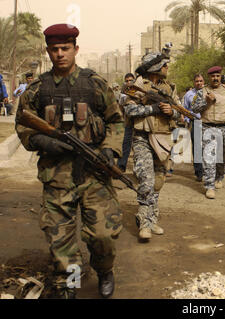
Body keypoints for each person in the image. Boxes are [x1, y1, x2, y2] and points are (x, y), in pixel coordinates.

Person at [15, 23, 124, 299]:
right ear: (48, 52)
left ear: (76, 49)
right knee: (60, 239)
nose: (60, 54)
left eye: (65, 48)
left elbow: (116, 121)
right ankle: (70, 282)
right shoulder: (38, 88)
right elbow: (23, 124)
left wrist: (110, 150)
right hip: (56, 175)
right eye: (54, 49)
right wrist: (44, 141)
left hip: (94, 173)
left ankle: (104, 270)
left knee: (102, 236)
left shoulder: (95, 84)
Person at [123, 46, 181, 240]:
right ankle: (144, 223)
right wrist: (153, 109)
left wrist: (170, 112)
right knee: (146, 180)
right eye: (164, 64)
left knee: (158, 181)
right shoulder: (138, 85)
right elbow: (130, 111)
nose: (167, 67)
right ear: (156, 66)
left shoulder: (169, 88)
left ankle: (152, 219)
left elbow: (180, 112)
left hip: (163, 137)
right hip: (142, 138)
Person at [192, 66, 225, 199]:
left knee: (223, 156)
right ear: (209, 77)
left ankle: (219, 176)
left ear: (221, 77)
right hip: (207, 127)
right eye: (213, 76)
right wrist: (206, 102)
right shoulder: (202, 92)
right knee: (208, 157)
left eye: (217, 76)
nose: (215, 78)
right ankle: (209, 186)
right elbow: (195, 109)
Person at [183, 74, 204, 182]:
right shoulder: (188, 95)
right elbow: (185, 109)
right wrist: (187, 121)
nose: (199, 83)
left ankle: (208, 169)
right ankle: (199, 172)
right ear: (194, 82)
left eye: (201, 81)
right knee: (196, 147)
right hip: (195, 122)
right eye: (197, 81)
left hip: (207, 122)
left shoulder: (208, 92)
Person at [117, 73, 135, 172]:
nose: (129, 82)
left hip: (139, 123)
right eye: (127, 80)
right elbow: (120, 108)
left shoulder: (139, 91)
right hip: (127, 122)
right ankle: (121, 165)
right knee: (125, 145)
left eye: (131, 80)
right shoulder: (123, 94)